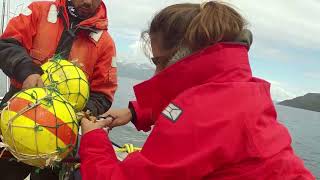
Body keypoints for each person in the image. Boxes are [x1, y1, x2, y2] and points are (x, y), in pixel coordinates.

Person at [80, 1, 315, 180]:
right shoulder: (243, 89)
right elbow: (191, 98)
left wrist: (93, 139)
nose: (157, 73)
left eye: (159, 62)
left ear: (182, 55)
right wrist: (136, 111)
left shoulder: (199, 118)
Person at [0, 0, 117, 179]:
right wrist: (26, 72)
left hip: (61, 134)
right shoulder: (37, 12)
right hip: (15, 116)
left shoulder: (105, 44)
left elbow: (103, 94)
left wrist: (83, 112)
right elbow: (7, 44)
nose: (87, 1)